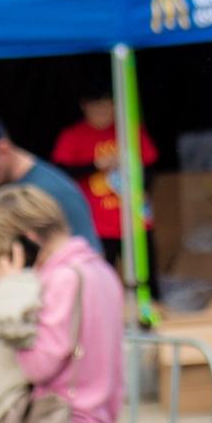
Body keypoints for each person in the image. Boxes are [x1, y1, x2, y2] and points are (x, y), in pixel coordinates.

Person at [0, 184, 124, 423]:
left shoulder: (61, 279)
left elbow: (40, 365)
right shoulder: (101, 271)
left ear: (26, 242)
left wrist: (11, 291)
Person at [0, 106, 101, 379]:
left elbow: (88, 282)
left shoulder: (57, 195)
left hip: (35, 378)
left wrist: (3, 278)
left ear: (2, 150)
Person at [52, 88, 161, 298]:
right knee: (101, 282)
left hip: (134, 218)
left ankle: (150, 315)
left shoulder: (130, 131)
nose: (103, 111)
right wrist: (95, 165)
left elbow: (150, 167)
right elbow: (61, 174)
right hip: (98, 223)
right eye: (97, 106)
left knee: (146, 279)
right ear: (85, 106)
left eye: (107, 105)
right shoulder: (73, 136)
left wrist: (143, 187)